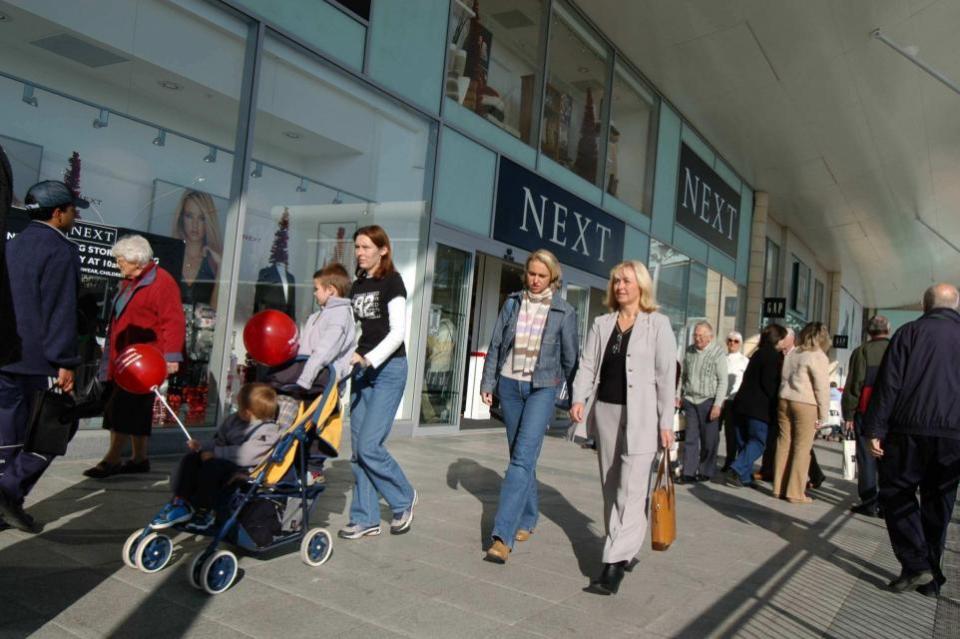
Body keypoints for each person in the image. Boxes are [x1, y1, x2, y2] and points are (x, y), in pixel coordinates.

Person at [570, 260, 675, 595]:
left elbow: (666, 377)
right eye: (616, 281)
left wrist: (666, 422)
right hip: (607, 413)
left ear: (641, 286)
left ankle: (613, 565)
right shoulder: (602, 324)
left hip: (643, 417)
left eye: (626, 281)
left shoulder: (658, 324)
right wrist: (579, 398)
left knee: (631, 490)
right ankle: (626, 546)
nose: (620, 287)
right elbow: (587, 364)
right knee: (611, 485)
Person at [479, 249, 579, 563]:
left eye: (541, 275)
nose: (535, 281)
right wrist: (488, 383)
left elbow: (571, 360)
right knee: (520, 456)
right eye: (531, 274)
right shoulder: (512, 302)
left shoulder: (564, 311)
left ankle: (502, 537)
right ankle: (530, 515)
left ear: (553, 278)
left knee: (521, 460)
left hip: (542, 389)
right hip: (509, 386)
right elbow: (496, 343)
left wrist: (577, 399)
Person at [863, 283, 960, 597]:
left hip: (909, 430)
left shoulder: (908, 334)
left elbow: (888, 385)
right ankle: (929, 578)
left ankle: (917, 563)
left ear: (925, 305)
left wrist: (875, 429)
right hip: (952, 435)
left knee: (896, 491)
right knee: (939, 502)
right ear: (956, 306)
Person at [0, 181, 83, 532]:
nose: (75, 215)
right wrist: (65, 361)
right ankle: (6, 495)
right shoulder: (60, 251)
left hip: (5, 355)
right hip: (38, 360)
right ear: (58, 212)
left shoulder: (12, 246)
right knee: (58, 426)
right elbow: (60, 310)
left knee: (7, 434)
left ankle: (6, 500)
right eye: (72, 209)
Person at [83, 235, 185, 479]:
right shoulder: (131, 281)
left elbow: (173, 321)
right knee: (135, 410)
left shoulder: (161, 282)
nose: (118, 265)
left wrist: (171, 357)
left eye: (121, 261)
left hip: (144, 361)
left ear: (137, 260)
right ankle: (140, 458)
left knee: (122, 408)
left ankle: (112, 459)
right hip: (125, 357)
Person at [339, 226, 417, 540]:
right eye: (357, 247)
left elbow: (397, 332)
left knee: (370, 445)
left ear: (383, 249)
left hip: (389, 368)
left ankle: (403, 497)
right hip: (362, 371)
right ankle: (365, 517)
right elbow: (356, 330)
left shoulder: (392, 282)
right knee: (359, 450)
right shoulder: (357, 285)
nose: (360, 252)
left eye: (366, 247)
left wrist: (368, 358)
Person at [150, 383, 282, 530]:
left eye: (240, 407)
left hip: (243, 469)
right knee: (191, 459)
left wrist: (216, 453)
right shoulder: (234, 420)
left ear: (248, 412)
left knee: (212, 467)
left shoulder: (269, 431)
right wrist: (202, 446)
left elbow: (246, 455)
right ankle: (181, 501)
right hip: (222, 459)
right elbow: (218, 440)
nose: (237, 410)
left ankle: (205, 510)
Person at [267, 263, 356, 395]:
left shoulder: (340, 316)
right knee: (269, 384)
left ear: (331, 290)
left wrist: (305, 380)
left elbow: (325, 351)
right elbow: (303, 346)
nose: (314, 293)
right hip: (307, 375)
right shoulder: (316, 316)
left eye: (317, 289)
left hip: (320, 381)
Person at [773, 322, 830, 503]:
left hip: (784, 399)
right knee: (802, 447)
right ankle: (795, 492)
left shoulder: (794, 353)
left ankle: (778, 487)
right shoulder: (818, 356)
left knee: (784, 443)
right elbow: (821, 387)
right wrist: (823, 415)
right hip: (805, 402)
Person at [724, 323, 787, 488]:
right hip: (758, 409)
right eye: (783, 338)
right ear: (777, 339)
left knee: (745, 442)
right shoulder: (773, 356)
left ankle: (744, 477)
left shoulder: (757, 353)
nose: (784, 342)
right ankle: (736, 469)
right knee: (758, 442)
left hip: (741, 405)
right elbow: (769, 385)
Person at [840, 315, 890, 518]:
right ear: (888, 329)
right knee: (888, 458)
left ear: (869, 331)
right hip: (892, 413)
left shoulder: (862, 351)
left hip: (866, 411)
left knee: (866, 457)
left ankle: (869, 502)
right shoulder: (897, 348)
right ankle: (887, 504)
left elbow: (854, 385)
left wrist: (849, 414)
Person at [677, 321, 727, 483]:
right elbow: (683, 375)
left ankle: (706, 470)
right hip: (690, 399)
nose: (697, 338)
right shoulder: (689, 351)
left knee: (709, 439)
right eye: (696, 335)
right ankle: (688, 472)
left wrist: (717, 404)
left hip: (709, 401)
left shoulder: (718, 353)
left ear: (710, 337)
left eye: (701, 336)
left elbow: (723, 381)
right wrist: (678, 395)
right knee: (690, 437)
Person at [172, 189, 222, 308]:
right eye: (189, 216)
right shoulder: (170, 255)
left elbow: (216, 312)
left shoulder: (215, 263)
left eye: (202, 218)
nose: (195, 225)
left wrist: (221, 268)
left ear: (209, 221)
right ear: (181, 218)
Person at [757, 326, 794, 481]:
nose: (782, 340)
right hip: (775, 402)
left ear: (791, 339)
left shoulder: (795, 355)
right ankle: (768, 470)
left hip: (789, 402)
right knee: (773, 439)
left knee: (790, 441)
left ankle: (815, 475)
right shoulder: (776, 355)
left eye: (784, 337)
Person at [720, 331, 749, 472]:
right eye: (730, 340)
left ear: (740, 344)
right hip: (719, 400)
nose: (732, 343)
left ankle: (730, 460)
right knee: (714, 432)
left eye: (736, 341)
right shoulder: (721, 358)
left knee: (731, 433)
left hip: (734, 401)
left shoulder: (745, 361)